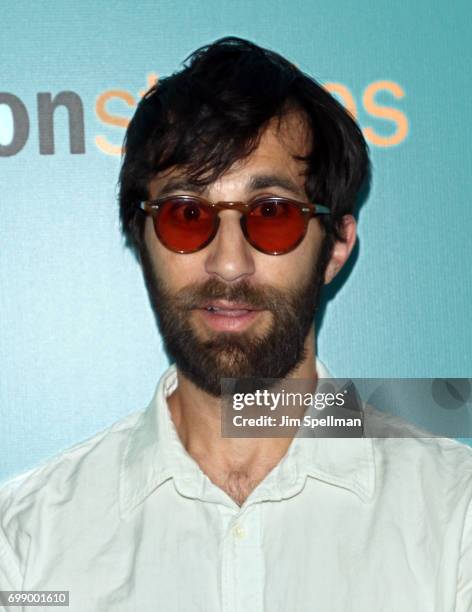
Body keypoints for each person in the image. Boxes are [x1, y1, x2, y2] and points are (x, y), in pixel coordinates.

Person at [0, 36, 471, 611]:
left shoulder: (455, 516)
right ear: (140, 238)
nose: (228, 263)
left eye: (272, 215)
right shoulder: (25, 540)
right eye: (186, 214)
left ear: (337, 246)